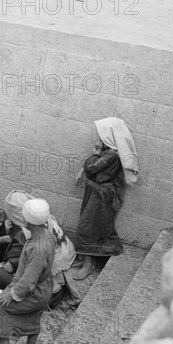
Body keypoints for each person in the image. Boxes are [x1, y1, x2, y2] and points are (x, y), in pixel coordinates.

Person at [73, 117, 139, 280]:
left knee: (87, 227)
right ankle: (85, 259)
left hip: (101, 195)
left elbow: (91, 168)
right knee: (89, 225)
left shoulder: (112, 156)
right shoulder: (108, 152)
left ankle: (89, 265)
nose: (99, 137)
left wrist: (94, 153)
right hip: (96, 192)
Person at [0, 199, 56, 344]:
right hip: (45, 288)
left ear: (28, 221)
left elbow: (29, 280)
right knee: (33, 315)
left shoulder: (37, 250)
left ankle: (4, 343)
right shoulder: (47, 236)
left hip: (34, 291)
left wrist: (13, 294)